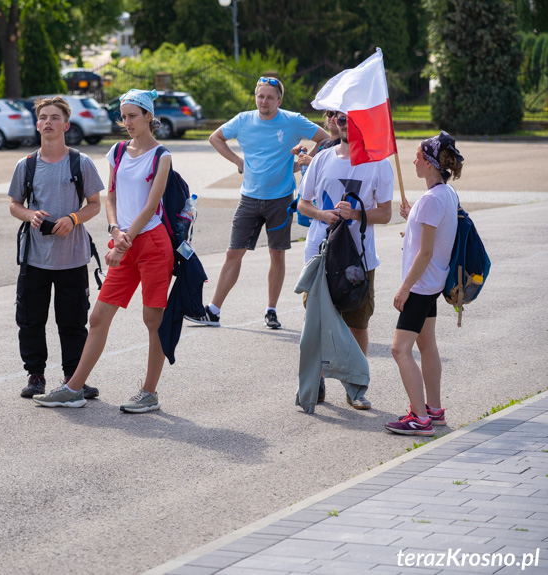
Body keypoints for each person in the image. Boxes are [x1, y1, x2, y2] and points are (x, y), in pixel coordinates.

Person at [32, 88, 173, 413]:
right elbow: (109, 197)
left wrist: (125, 240)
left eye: (132, 116)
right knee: (97, 317)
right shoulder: (118, 151)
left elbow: (152, 206)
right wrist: (114, 230)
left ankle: (149, 392)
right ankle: (73, 389)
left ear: (149, 116)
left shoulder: (161, 155)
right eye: (123, 117)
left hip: (151, 243)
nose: (126, 122)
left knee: (153, 320)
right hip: (122, 241)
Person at [186, 77, 328, 329]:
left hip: (281, 200)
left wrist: (305, 161)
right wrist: (237, 161)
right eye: (260, 96)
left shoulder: (292, 120)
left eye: (270, 97)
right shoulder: (243, 120)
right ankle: (214, 311)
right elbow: (215, 138)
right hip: (249, 198)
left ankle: (271, 310)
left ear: (279, 100)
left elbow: (326, 138)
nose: (264, 101)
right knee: (233, 252)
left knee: (277, 254)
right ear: (255, 97)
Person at [8, 97, 103, 399]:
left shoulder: (80, 162)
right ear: (37, 124)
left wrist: (73, 219)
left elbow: (95, 205)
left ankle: (73, 379)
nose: (48, 122)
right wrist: (30, 215)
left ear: (66, 125)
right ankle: (35, 376)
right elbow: (14, 205)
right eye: (43, 118)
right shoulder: (27, 165)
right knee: (31, 320)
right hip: (35, 258)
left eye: (55, 117)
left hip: (72, 258)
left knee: (73, 322)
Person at [297, 111, 393, 408]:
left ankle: (356, 387)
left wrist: (356, 214)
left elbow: (386, 213)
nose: (343, 124)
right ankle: (317, 382)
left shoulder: (379, 162)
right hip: (320, 254)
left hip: (359, 258)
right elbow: (303, 203)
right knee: (317, 323)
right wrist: (322, 214)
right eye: (339, 119)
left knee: (357, 323)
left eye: (349, 119)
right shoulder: (324, 158)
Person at [386, 133, 463, 437]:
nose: (413, 161)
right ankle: (434, 409)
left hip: (420, 287)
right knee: (426, 345)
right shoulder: (446, 193)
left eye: (418, 156)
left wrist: (405, 287)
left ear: (430, 163)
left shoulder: (430, 201)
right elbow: (430, 237)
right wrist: (411, 220)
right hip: (433, 283)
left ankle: (420, 419)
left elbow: (426, 251)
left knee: (399, 349)